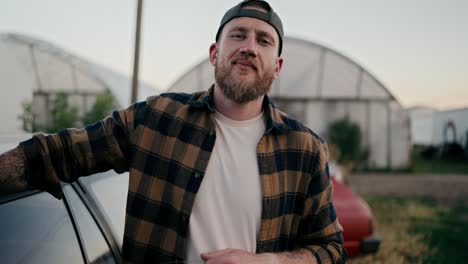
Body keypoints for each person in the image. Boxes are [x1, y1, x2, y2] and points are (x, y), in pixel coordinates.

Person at [0, 1, 347, 263]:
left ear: (278, 66)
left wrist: (266, 262)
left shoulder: (304, 149)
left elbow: (330, 248)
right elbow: (58, 154)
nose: (249, 47)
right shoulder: (157, 118)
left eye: (264, 40)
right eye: (238, 35)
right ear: (214, 53)